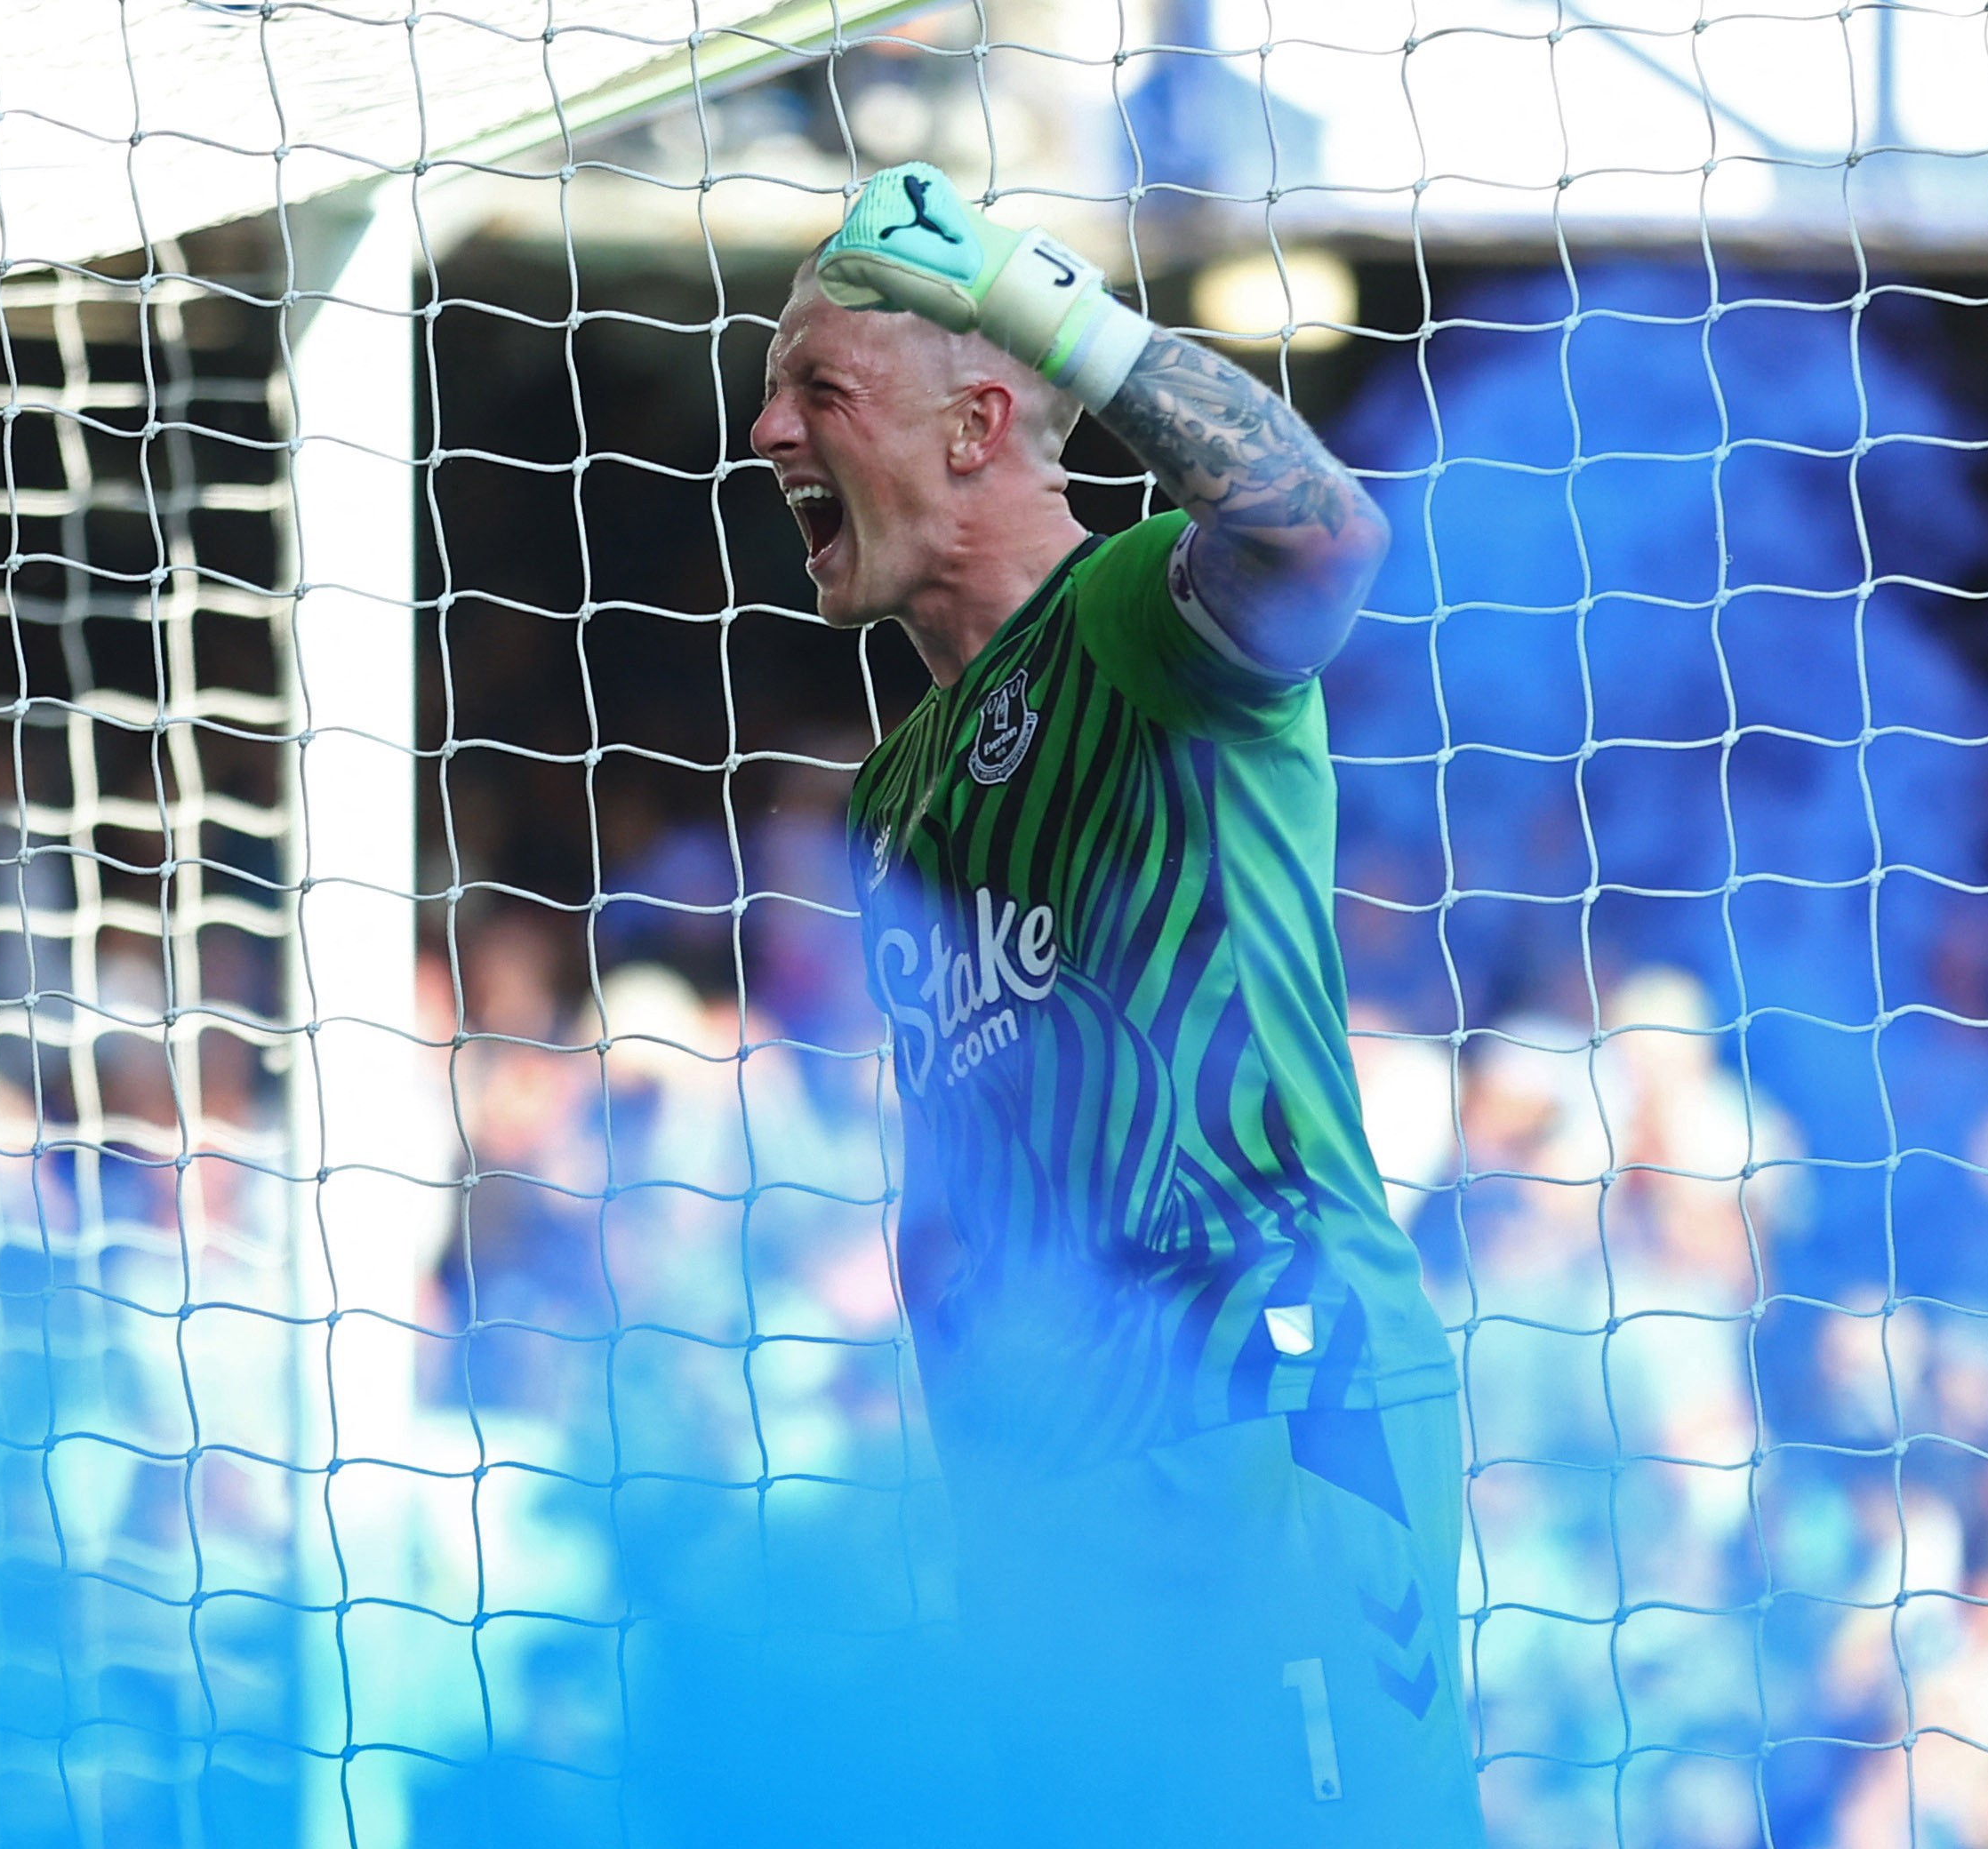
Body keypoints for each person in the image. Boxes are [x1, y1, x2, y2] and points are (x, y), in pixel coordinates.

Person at [750, 164, 1485, 1842]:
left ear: (977, 424)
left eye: (819, 388)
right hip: (1056, 1480)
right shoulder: (893, 796)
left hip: (1267, 1387)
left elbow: (1325, 530)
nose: (767, 432)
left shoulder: (1138, 608)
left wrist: (1037, 294)